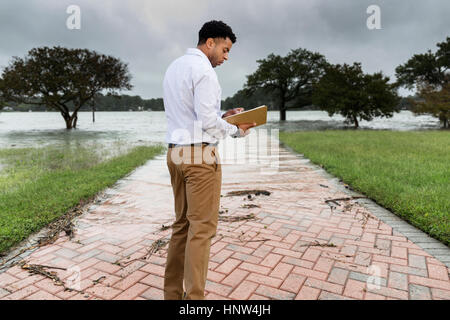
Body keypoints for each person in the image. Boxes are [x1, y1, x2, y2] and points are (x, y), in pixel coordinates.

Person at [162, 20, 256, 300]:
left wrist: (223, 117)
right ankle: (194, 302)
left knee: (182, 226)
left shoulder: (175, 67)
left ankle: (172, 297)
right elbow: (206, 123)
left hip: (175, 153)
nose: (226, 58)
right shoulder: (204, 71)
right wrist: (237, 130)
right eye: (225, 50)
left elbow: (194, 115)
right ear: (210, 42)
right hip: (199, 157)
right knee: (202, 230)